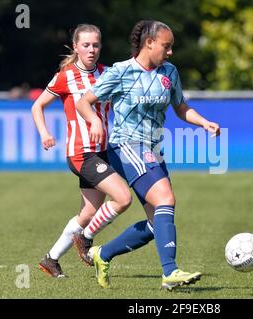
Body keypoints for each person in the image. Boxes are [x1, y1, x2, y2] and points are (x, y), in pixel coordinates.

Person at [75, 20, 220, 290]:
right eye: (167, 46)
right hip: (126, 145)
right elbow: (84, 101)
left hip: (152, 149)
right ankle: (170, 272)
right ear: (149, 43)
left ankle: (101, 255)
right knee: (166, 198)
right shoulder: (121, 71)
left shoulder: (170, 72)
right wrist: (94, 122)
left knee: (157, 223)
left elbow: (180, 107)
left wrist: (203, 122)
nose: (170, 52)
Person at [31, 24, 132, 278]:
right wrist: (44, 133)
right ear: (75, 47)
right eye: (86, 45)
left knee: (88, 212)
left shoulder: (106, 73)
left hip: (102, 151)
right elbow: (37, 106)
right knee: (122, 198)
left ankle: (50, 260)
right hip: (81, 153)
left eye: (96, 45)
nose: (92, 49)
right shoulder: (66, 76)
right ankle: (85, 241)